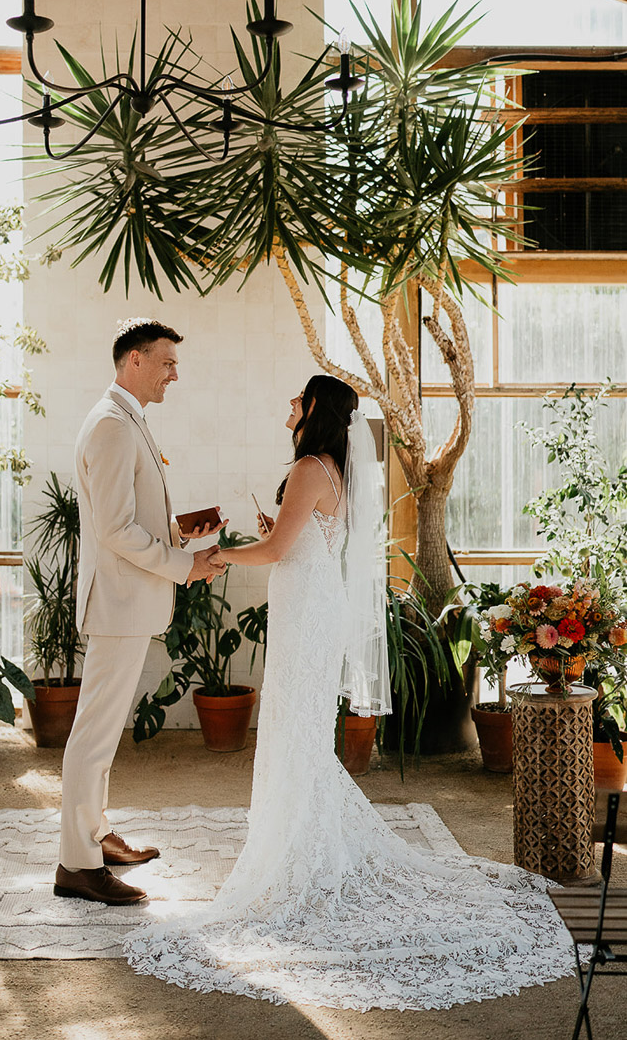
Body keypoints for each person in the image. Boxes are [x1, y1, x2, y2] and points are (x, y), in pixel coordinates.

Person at [125, 374, 573, 1008]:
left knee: (294, 732)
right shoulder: (331, 468)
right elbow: (303, 542)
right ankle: (305, 847)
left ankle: (302, 860)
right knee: (298, 730)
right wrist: (268, 536)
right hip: (312, 605)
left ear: (313, 410)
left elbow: (280, 546)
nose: (287, 405)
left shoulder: (310, 466)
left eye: (295, 399)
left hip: (307, 613)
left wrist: (222, 555)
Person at [54, 319, 226, 906]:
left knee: (101, 735)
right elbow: (114, 530)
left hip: (129, 600)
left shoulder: (127, 418)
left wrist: (180, 534)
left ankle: (96, 836)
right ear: (134, 360)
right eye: (167, 362)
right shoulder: (110, 424)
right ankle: (76, 864)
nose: (175, 373)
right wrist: (185, 565)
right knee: (94, 735)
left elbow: (129, 520)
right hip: (118, 603)